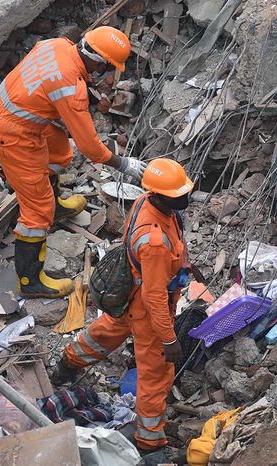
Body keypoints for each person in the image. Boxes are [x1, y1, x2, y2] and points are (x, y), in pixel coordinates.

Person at [0, 26, 147, 299]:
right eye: (107, 67)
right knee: (36, 213)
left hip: (12, 110)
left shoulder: (57, 44)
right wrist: (122, 164)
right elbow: (90, 147)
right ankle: (30, 281)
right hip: (11, 134)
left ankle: (55, 205)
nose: (106, 74)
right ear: (98, 61)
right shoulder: (70, 87)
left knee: (59, 152)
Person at [51, 158, 193, 454]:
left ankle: (67, 363)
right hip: (149, 308)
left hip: (132, 295)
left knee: (105, 332)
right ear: (159, 195)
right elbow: (155, 298)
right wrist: (169, 339)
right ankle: (150, 443)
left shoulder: (147, 201)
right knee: (155, 374)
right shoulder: (153, 240)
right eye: (179, 193)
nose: (185, 197)